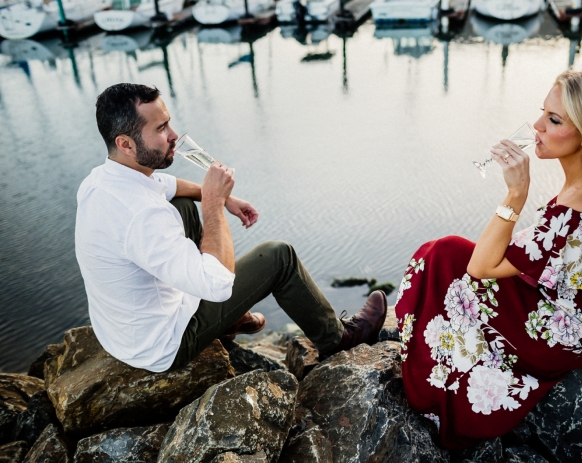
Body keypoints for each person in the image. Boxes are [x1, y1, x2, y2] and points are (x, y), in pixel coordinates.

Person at [394, 69, 582, 448]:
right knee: (448, 256)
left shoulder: (573, 207)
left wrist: (516, 193)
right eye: (542, 113)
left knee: (443, 256)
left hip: (562, 334)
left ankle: (428, 382)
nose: (536, 126)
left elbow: (481, 267)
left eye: (554, 120)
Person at [75, 83, 387, 373]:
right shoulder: (141, 215)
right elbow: (219, 285)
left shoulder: (103, 180)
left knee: (182, 203)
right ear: (126, 144)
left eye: (169, 122)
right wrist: (212, 201)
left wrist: (226, 198)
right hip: (161, 345)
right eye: (160, 129)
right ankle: (339, 339)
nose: (174, 135)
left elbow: (166, 185)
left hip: (121, 333)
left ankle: (228, 319)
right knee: (279, 257)